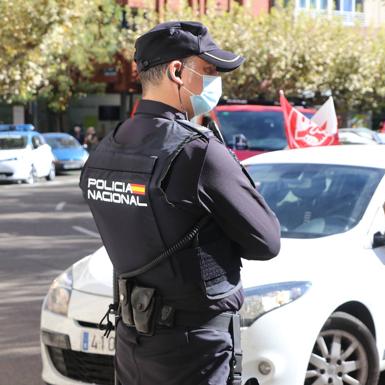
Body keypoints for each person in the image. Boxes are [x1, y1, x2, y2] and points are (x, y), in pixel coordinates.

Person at [79, 21, 281, 385]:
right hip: (195, 352)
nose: (215, 81)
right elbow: (267, 242)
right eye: (208, 71)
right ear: (177, 72)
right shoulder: (197, 152)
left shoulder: (104, 151)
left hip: (132, 345)